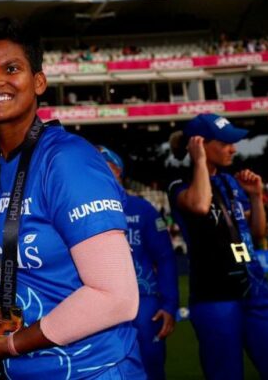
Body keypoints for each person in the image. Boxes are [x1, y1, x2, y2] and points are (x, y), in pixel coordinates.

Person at [0, 18, 144, 379]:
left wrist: (11, 344)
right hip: (20, 370)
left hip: (91, 370)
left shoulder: (68, 160)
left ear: (39, 82)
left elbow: (117, 297)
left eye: (11, 68)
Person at [167, 113, 268, 380]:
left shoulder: (230, 182)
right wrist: (200, 161)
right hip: (215, 298)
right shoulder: (179, 184)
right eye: (225, 142)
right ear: (199, 144)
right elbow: (201, 205)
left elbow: (258, 234)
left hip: (256, 291)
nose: (233, 149)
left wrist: (256, 198)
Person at [98, 146, 178, 380]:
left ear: (118, 171)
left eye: (104, 168)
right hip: (99, 305)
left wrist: (170, 305)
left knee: (151, 369)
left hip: (144, 303)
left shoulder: (142, 209)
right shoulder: (82, 209)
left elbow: (164, 257)